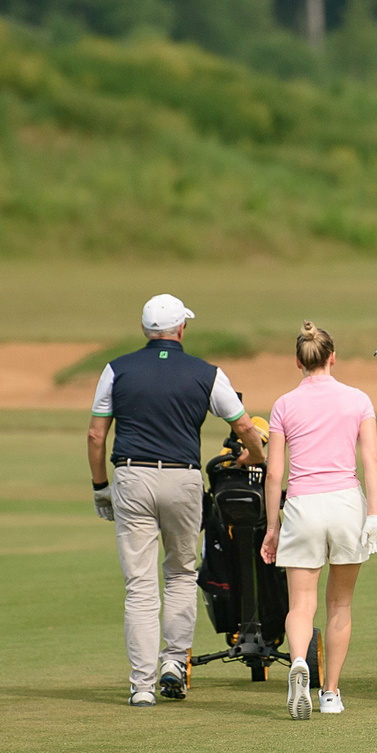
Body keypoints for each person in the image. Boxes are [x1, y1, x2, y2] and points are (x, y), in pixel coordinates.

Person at [88, 294, 266, 707]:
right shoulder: (207, 373)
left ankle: (142, 686)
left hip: (132, 476)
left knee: (140, 586)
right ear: (181, 329)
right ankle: (173, 663)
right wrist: (254, 456)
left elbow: (97, 435)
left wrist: (101, 487)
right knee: (182, 574)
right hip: (183, 479)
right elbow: (243, 426)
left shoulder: (117, 369)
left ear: (146, 330)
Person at [259, 322, 377, 721]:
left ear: (298, 361)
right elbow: (371, 462)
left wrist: (272, 527)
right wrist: (374, 515)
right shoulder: (358, 399)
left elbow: (274, 473)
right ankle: (329, 692)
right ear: (333, 356)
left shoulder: (283, 405)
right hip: (347, 504)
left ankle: (299, 661)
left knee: (301, 605)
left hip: (303, 507)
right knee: (340, 604)